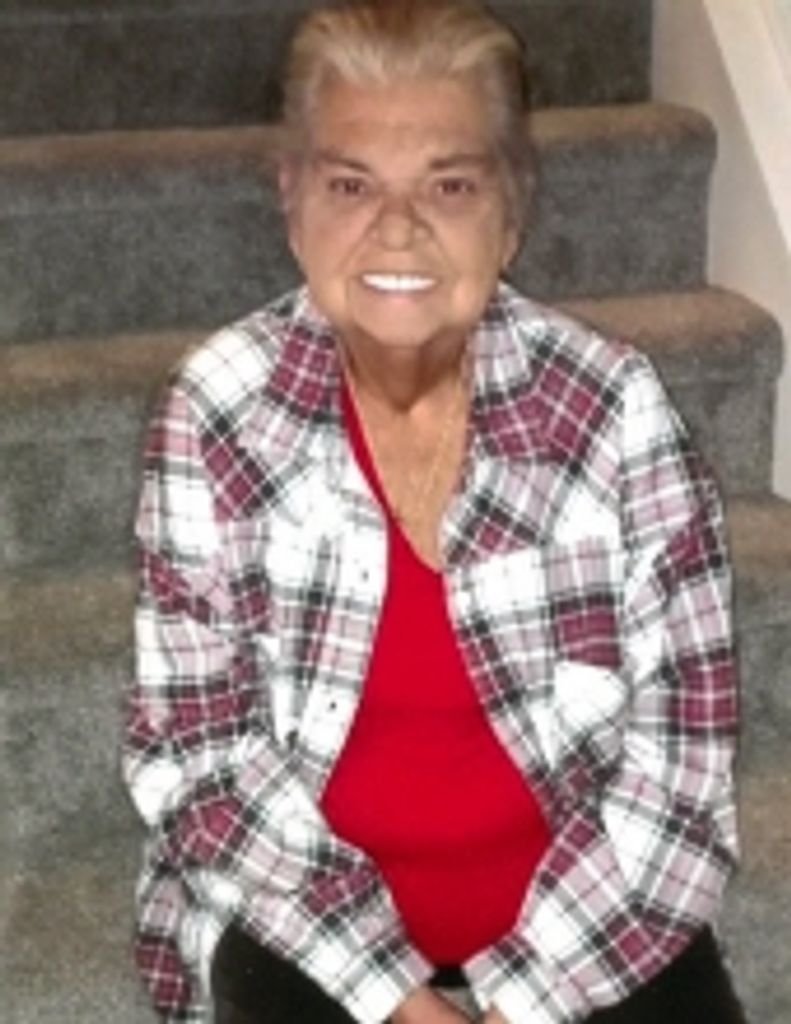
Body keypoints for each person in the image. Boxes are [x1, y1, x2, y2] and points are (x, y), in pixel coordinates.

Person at [122, 2, 746, 1022]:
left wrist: (516, 1005)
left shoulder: (612, 408)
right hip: (305, 922)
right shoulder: (216, 410)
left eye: (449, 185)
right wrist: (400, 1001)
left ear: (510, 211)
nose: (398, 227)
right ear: (291, 200)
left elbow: (680, 772)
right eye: (350, 184)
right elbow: (200, 758)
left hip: (588, 926)